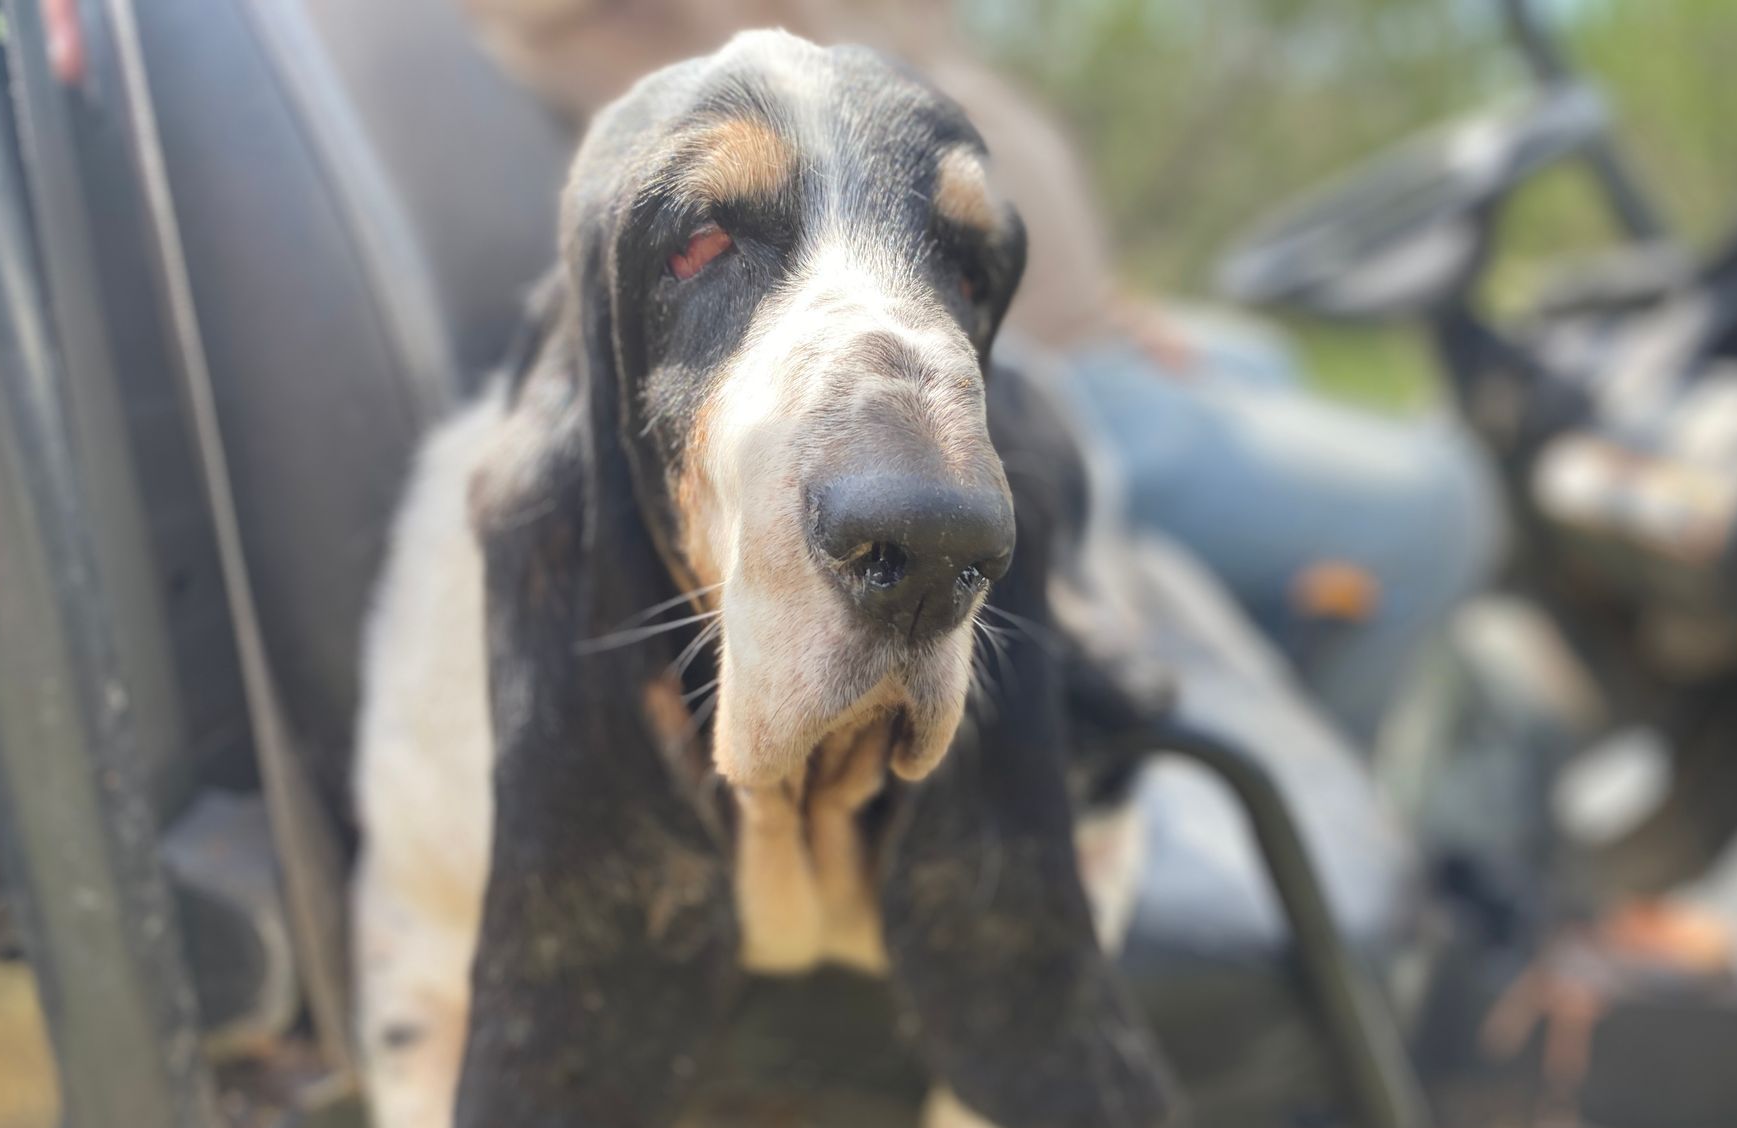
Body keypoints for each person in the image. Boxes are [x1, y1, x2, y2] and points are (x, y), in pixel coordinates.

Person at [457, 0, 1505, 742]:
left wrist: (1107, 303)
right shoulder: (649, 41)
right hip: (1011, 376)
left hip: (1083, 334)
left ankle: (1311, 703)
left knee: (1263, 355)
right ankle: (1331, 831)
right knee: (1437, 504)